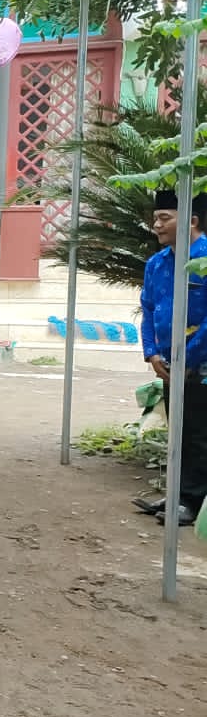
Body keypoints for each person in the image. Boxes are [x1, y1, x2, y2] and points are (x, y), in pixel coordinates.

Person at [137, 188, 207, 526]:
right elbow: (147, 308)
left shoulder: (205, 260)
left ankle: (193, 501)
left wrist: (187, 357)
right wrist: (152, 353)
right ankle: (178, 492)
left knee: (198, 431)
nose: (156, 225)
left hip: (198, 364)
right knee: (178, 429)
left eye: (165, 218)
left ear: (191, 221)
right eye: (155, 219)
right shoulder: (157, 263)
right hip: (168, 365)